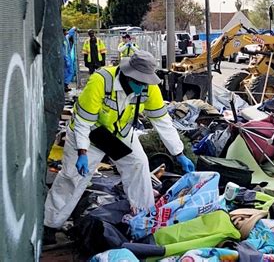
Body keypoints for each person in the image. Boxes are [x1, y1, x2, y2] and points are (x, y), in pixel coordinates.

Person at [43, 50, 195, 244]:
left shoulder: (149, 88)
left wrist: (179, 153)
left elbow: (162, 122)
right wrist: (82, 152)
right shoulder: (101, 81)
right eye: (138, 82)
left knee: (138, 165)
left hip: (119, 134)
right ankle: (50, 224)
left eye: (145, 83)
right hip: (90, 134)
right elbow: (82, 121)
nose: (142, 87)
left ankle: (143, 220)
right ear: (126, 74)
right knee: (73, 177)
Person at [63, 27, 76, 92]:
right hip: (66, 58)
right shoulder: (63, 40)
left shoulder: (66, 38)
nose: (66, 32)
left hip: (67, 57)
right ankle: (65, 85)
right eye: (65, 32)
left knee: (68, 72)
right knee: (69, 72)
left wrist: (73, 28)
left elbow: (70, 34)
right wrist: (67, 60)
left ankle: (65, 85)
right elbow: (64, 51)